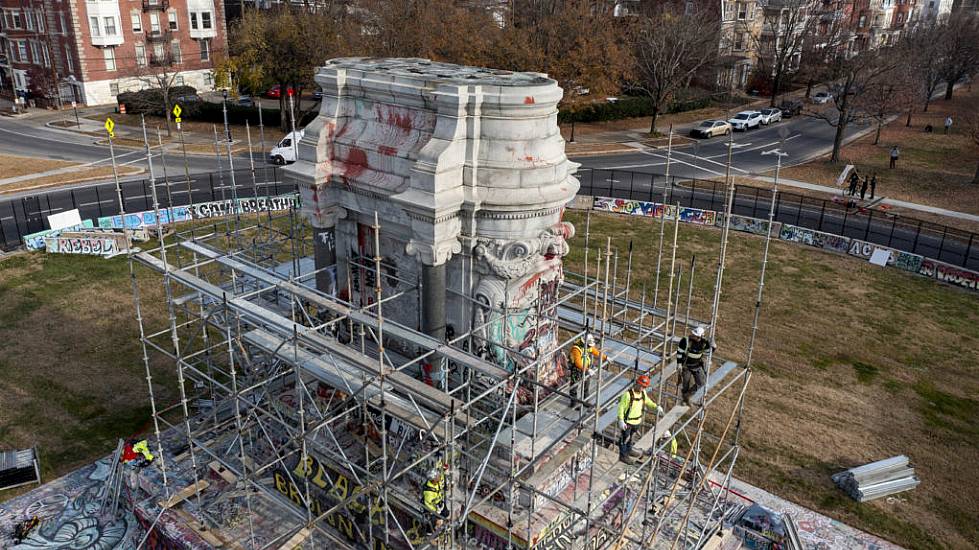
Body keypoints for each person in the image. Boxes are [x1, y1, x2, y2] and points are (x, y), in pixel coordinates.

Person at [617, 375, 660, 464]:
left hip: (636, 421)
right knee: (624, 439)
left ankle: (629, 450)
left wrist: (656, 407)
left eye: (644, 387)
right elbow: (621, 408)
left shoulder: (643, 393)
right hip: (628, 422)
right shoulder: (628, 395)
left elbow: (648, 401)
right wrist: (621, 420)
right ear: (637, 383)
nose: (642, 388)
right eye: (641, 386)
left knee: (631, 437)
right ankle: (623, 456)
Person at [677, 326, 716, 406]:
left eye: (694, 335)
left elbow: (708, 353)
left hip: (697, 366)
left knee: (702, 383)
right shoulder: (685, 341)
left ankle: (687, 395)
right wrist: (679, 364)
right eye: (693, 334)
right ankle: (685, 400)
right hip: (686, 366)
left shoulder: (704, 343)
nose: (692, 335)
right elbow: (679, 352)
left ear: (700, 337)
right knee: (685, 383)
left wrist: (714, 347)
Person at [568, 333, 606, 407]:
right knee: (574, 387)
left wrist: (606, 357)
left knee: (586, 385)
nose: (590, 347)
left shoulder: (587, 346)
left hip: (586, 368)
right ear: (584, 343)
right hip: (577, 369)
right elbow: (578, 362)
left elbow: (596, 352)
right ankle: (574, 404)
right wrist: (587, 370)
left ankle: (585, 401)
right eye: (588, 345)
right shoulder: (576, 349)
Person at [422, 468, 450, 533]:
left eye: (438, 475)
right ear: (433, 480)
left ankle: (441, 524)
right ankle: (429, 533)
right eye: (437, 476)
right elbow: (430, 504)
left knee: (446, 513)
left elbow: (443, 478)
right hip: (431, 509)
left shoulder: (438, 481)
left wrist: (446, 483)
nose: (439, 477)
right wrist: (437, 511)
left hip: (439, 503)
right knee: (432, 521)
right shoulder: (428, 492)